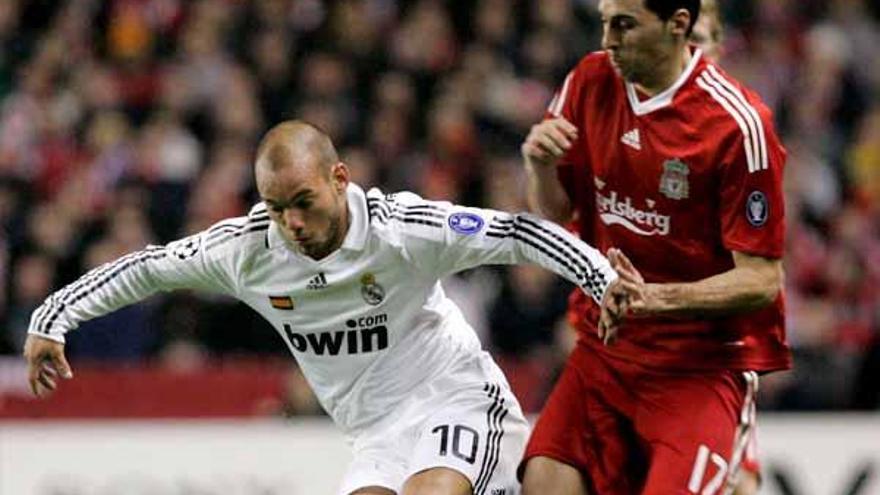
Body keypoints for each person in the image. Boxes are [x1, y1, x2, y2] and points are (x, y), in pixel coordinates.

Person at [23, 120, 629, 495]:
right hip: (374, 435)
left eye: (304, 202)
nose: (291, 222)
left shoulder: (403, 231)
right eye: (275, 204)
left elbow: (517, 233)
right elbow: (149, 267)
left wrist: (603, 282)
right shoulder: (248, 251)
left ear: (340, 178)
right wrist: (53, 318)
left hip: (458, 401)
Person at [519, 0, 790, 493]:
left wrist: (655, 299)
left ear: (678, 25)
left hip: (697, 368)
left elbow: (763, 279)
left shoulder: (739, 125)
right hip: (605, 350)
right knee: (542, 479)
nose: (607, 41)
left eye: (624, 25)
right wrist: (538, 166)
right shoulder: (589, 80)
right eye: (604, 23)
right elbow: (556, 214)